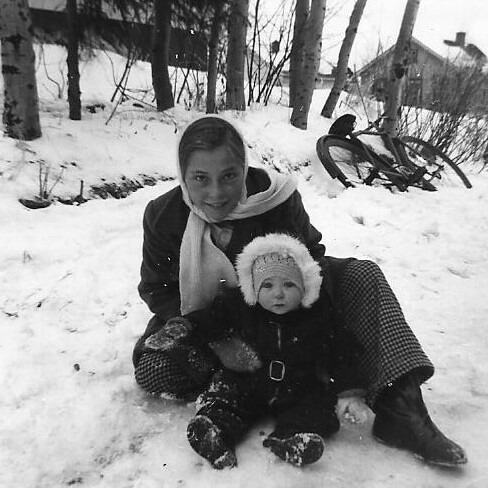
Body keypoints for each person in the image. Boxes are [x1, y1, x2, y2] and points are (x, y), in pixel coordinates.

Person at [133, 115, 467, 468]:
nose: (215, 193)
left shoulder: (275, 199)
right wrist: (218, 338)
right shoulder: (162, 215)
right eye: (200, 178)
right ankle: (238, 385)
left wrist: (305, 325)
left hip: (285, 310)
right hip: (207, 321)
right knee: (154, 368)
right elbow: (158, 288)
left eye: (229, 176)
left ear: (244, 169)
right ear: (183, 175)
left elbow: (311, 260)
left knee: (361, 275)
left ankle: (402, 409)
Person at [171, 233, 339, 469]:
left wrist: (351, 389)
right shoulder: (239, 307)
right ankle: (214, 431)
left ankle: (292, 438)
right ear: (253, 287)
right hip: (248, 380)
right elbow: (210, 320)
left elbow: (342, 348)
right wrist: (185, 326)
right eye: (267, 285)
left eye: (289, 284)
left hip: (299, 384)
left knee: (317, 408)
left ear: (305, 287)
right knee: (225, 395)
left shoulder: (317, 315)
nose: (278, 293)